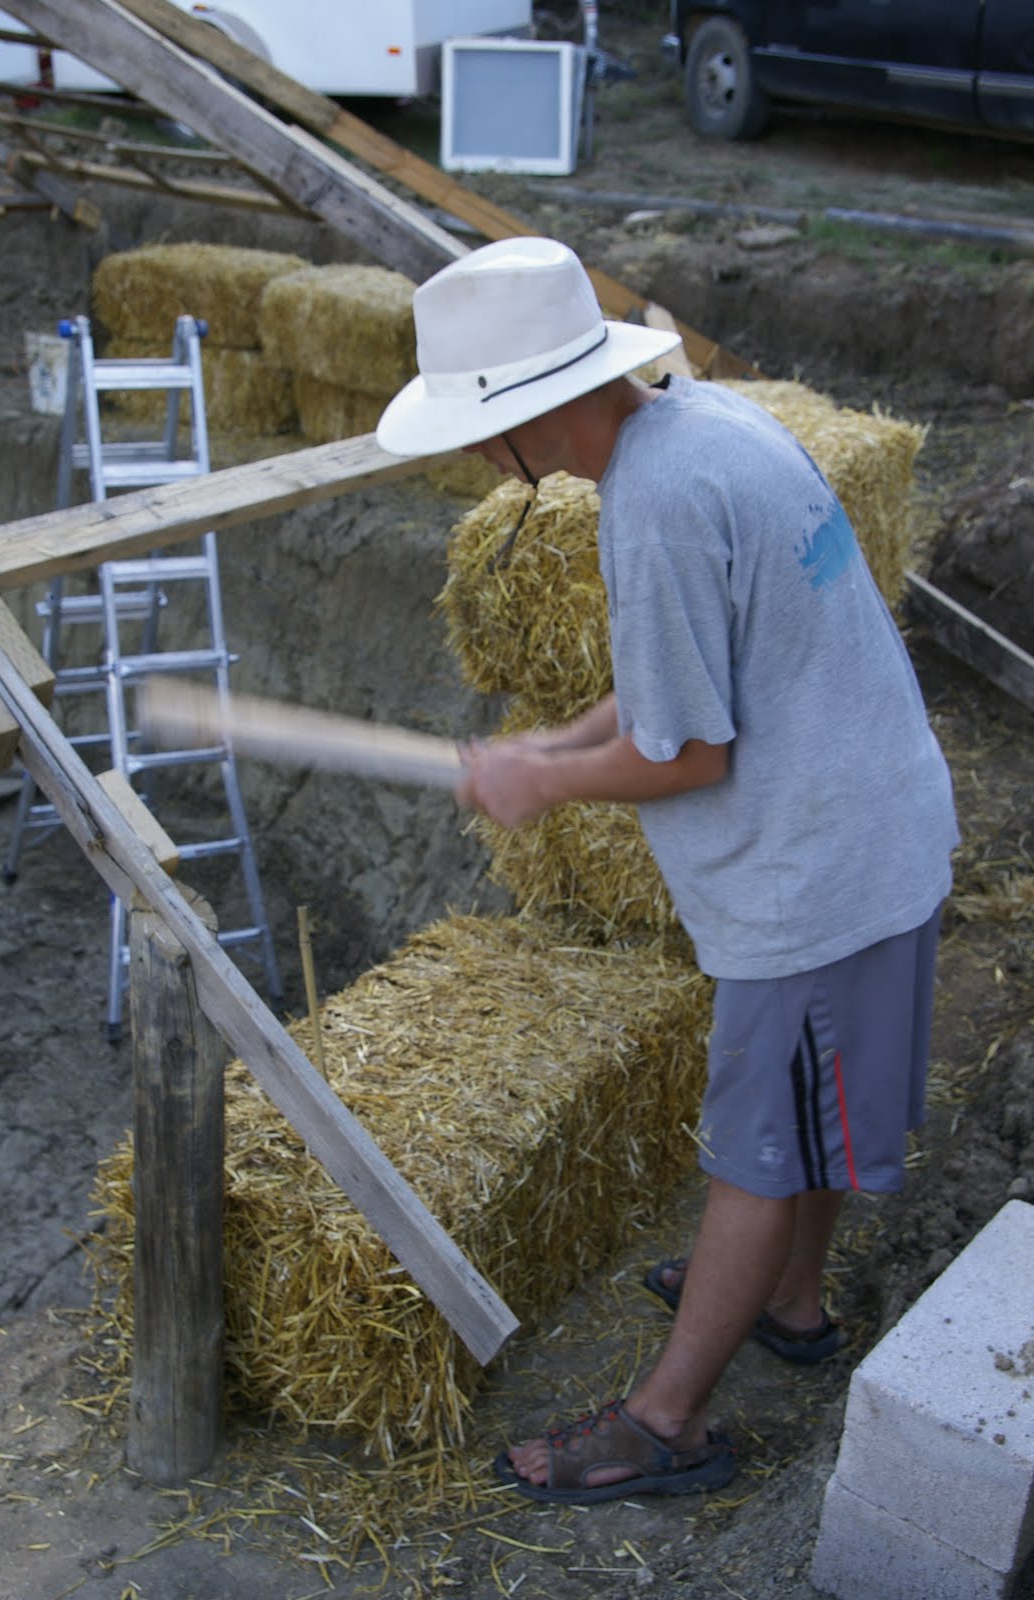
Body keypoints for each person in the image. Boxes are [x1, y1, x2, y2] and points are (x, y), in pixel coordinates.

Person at [376, 237, 959, 1506]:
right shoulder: (701, 420)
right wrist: (557, 735)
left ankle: (666, 1420)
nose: (479, 457)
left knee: (753, 1147)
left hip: (819, 871)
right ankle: (789, 1304)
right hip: (868, 824)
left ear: (532, 410)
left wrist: (546, 783)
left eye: (483, 431)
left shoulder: (655, 506)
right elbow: (674, 677)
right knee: (804, 1110)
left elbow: (691, 751)